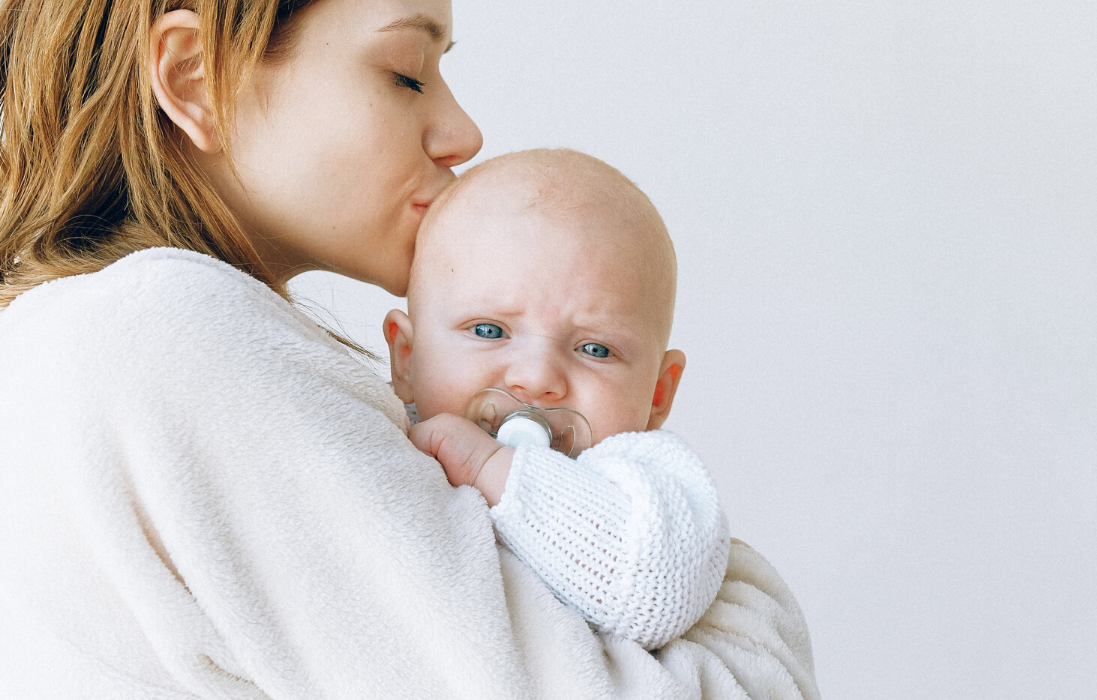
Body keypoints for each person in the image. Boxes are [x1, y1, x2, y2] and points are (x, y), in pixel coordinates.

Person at [0, 1, 821, 698]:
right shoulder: (168, 339)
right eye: (405, 74)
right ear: (193, 79)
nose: (463, 133)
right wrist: (741, 598)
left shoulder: (89, 338)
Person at [385, 148, 728, 651]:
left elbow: (656, 591)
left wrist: (488, 467)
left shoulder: (649, 481)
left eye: (595, 349)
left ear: (658, 393)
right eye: (489, 330)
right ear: (407, 359)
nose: (537, 378)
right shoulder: (378, 438)